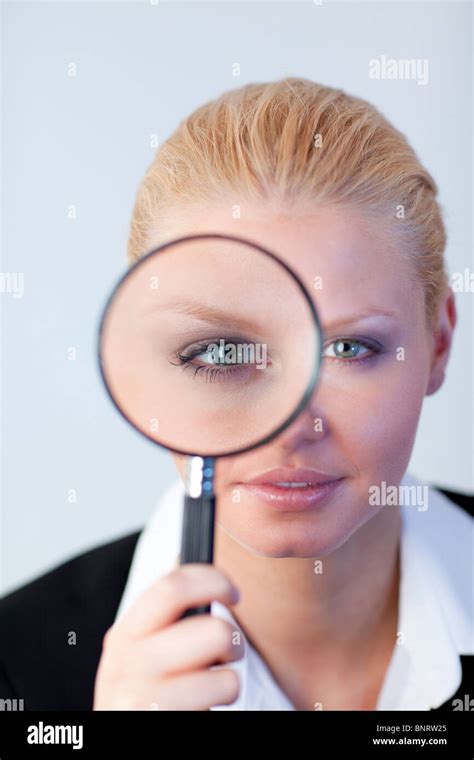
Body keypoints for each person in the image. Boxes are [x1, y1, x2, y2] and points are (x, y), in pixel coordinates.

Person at [0, 77, 472, 711]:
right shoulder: (16, 667)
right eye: (221, 353)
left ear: (437, 345)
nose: (290, 428)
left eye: (350, 348)